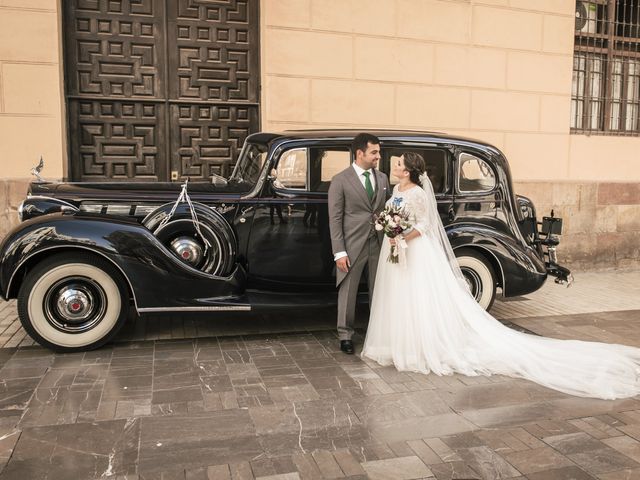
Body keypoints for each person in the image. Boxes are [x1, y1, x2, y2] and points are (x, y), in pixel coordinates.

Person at [362, 152, 640, 399]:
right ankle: (396, 342)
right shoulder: (397, 188)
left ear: (408, 170)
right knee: (398, 294)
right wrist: (391, 231)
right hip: (397, 246)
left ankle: (419, 346)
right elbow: (391, 214)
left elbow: (424, 223)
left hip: (414, 247)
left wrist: (402, 236)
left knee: (417, 294)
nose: (394, 165)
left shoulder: (418, 194)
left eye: (398, 163)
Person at [328, 133, 390, 354]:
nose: (378, 156)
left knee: (379, 290)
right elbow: (335, 219)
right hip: (352, 246)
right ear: (360, 153)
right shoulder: (340, 180)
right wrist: (339, 252)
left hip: (379, 243)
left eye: (379, 152)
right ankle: (345, 335)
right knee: (348, 292)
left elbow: (385, 210)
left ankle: (378, 334)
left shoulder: (382, 179)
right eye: (374, 152)